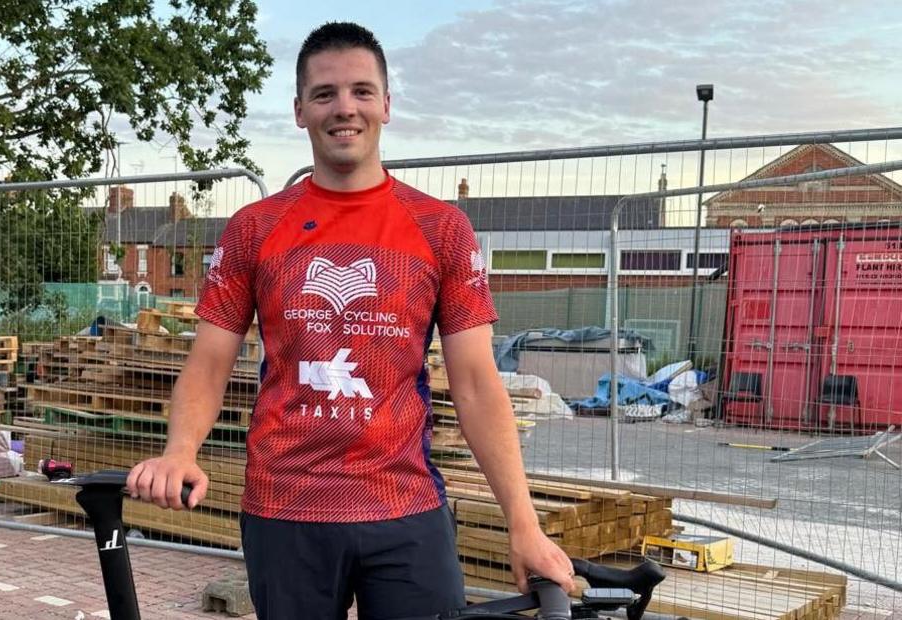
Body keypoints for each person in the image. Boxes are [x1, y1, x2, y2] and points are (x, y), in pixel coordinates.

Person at [127, 21, 574, 619]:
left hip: (404, 507)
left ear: (386, 105)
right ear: (299, 111)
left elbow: (475, 383)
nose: (345, 108)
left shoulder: (440, 229)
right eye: (325, 94)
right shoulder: (253, 229)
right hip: (286, 510)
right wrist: (180, 451)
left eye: (362, 91)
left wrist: (524, 525)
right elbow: (209, 362)